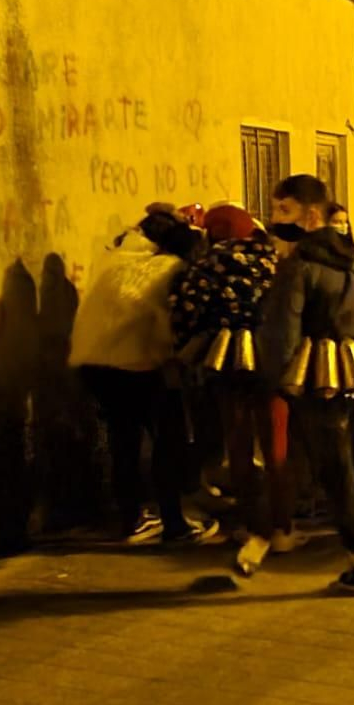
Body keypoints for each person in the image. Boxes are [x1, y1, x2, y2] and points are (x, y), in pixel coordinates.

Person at [240, 175, 354, 593]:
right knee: (330, 467)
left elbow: (282, 330)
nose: (273, 219)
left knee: (332, 471)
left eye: (283, 210)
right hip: (353, 375)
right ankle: (267, 538)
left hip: (314, 380)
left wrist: (274, 379)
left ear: (312, 214)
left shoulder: (299, 266)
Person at [72, 207, 213, 545]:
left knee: (124, 442)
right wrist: (176, 357)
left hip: (92, 364)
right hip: (137, 364)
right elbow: (165, 324)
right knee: (169, 441)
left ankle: (131, 519)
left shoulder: (113, 261)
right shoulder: (169, 268)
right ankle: (174, 523)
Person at [169, 204, 280, 546]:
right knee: (275, 436)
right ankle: (280, 524)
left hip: (226, 358)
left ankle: (250, 521)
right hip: (272, 353)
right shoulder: (273, 259)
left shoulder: (209, 263)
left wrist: (187, 348)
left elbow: (186, 310)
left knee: (238, 438)